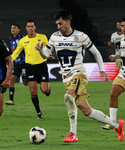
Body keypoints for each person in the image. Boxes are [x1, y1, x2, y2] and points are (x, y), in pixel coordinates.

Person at [35, 9, 124, 142]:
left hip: (79, 75)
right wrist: (41, 51)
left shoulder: (81, 36)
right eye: (57, 24)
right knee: (87, 111)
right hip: (66, 79)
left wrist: (101, 69)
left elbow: (96, 52)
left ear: (68, 22)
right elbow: (46, 55)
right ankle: (117, 125)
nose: (58, 27)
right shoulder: (54, 37)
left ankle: (73, 133)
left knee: (68, 97)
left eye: (60, 24)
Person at [11, 20, 51, 119]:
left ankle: (46, 88)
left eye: (32, 26)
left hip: (41, 66)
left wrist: (49, 55)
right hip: (30, 67)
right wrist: (9, 61)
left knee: (45, 90)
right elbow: (16, 53)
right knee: (33, 91)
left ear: (35, 27)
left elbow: (49, 48)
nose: (30, 28)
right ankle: (39, 113)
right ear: (26, 28)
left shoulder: (42, 37)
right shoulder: (23, 41)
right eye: (28, 26)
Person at [102, 17, 125, 133]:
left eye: (124, 26)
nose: (123, 28)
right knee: (113, 94)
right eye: (122, 26)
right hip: (123, 73)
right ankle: (113, 122)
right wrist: (115, 57)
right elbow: (122, 55)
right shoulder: (122, 41)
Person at [5, 23, 28, 105]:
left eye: (15, 28)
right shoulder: (10, 39)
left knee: (25, 83)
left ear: (18, 30)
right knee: (11, 80)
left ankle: (39, 80)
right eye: (12, 28)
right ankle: (11, 100)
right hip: (15, 63)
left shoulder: (22, 38)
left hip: (24, 63)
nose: (13, 30)